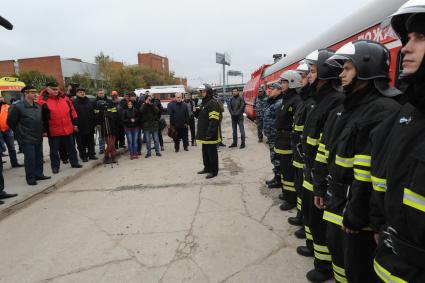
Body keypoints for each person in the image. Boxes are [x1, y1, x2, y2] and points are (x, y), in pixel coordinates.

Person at [313, 40, 401, 283]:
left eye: (347, 68)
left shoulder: (383, 110)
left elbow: (370, 173)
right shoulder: (344, 108)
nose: (340, 74)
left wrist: (357, 215)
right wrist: (320, 186)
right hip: (337, 202)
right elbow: (325, 151)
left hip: (357, 216)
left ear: (367, 68)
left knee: (357, 268)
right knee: (339, 259)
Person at [369, 2, 425, 282]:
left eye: (421, 37)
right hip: (391, 260)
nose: (405, 48)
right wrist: (379, 223)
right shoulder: (409, 113)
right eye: (408, 38)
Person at [298, 49, 344, 283]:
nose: (309, 75)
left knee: (320, 220)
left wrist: (320, 180)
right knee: (310, 216)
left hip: (320, 172)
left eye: (313, 70)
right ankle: (318, 255)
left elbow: (326, 145)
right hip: (311, 169)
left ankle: (324, 266)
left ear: (326, 71)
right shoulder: (318, 99)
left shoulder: (334, 100)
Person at [288, 63, 314, 240]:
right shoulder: (304, 101)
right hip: (299, 153)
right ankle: (300, 215)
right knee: (300, 187)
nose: (303, 78)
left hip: (306, 156)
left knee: (306, 190)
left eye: (308, 74)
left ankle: (305, 220)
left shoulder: (310, 102)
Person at [7, 85, 50, 186]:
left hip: (37, 136)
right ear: (26, 94)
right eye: (33, 92)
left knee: (39, 157)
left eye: (36, 92)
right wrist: (20, 132)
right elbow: (10, 122)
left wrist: (43, 131)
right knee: (30, 158)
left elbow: (40, 121)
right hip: (26, 137)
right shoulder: (18, 107)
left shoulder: (38, 106)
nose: (36, 94)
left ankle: (39, 174)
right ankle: (30, 178)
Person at [274, 70, 302, 211]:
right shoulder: (286, 98)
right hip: (282, 141)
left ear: (291, 83)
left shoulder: (296, 100)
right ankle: (286, 193)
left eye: (284, 82)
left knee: (289, 171)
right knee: (284, 170)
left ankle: (291, 199)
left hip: (288, 142)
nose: (281, 84)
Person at [41, 82, 82, 174]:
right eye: (53, 89)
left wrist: (75, 124)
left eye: (57, 89)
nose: (56, 91)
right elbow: (42, 118)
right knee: (54, 151)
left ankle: (74, 163)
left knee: (71, 148)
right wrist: (44, 130)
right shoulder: (44, 101)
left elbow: (73, 111)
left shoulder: (65, 99)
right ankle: (55, 167)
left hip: (67, 129)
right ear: (48, 89)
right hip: (53, 131)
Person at [195, 84, 221, 179]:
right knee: (205, 152)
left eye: (204, 91)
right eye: (201, 91)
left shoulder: (213, 103)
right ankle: (207, 167)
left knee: (212, 153)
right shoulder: (204, 102)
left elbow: (214, 120)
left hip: (210, 134)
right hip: (204, 133)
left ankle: (214, 171)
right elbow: (202, 116)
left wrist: (210, 133)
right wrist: (196, 112)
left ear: (208, 92)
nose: (202, 93)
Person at [263, 82, 284, 189]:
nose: (269, 91)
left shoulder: (279, 103)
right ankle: (277, 177)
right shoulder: (273, 102)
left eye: (273, 89)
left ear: (280, 90)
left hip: (276, 136)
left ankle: (279, 180)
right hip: (272, 136)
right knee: (274, 157)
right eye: (269, 89)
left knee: (277, 158)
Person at [93, 89, 119, 164]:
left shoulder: (109, 101)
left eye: (102, 93)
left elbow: (114, 111)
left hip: (111, 123)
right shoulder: (95, 102)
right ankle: (106, 156)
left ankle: (113, 157)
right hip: (102, 124)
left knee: (113, 142)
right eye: (100, 93)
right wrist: (101, 112)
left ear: (104, 93)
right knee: (109, 142)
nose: (101, 94)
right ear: (97, 94)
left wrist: (108, 113)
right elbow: (95, 113)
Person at [72, 86, 97, 162]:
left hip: (90, 125)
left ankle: (91, 154)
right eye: (80, 92)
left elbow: (93, 112)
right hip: (79, 126)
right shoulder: (74, 102)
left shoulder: (89, 101)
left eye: (83, 92)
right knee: (81, 142)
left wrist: (95, 122)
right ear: (77, 93)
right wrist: (74, 124)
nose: (82, 93)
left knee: (90, 141)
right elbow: (72, 114)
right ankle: (83, 156)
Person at [0, 94, 22, 168]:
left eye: (1, 97)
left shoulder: (7, 106)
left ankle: (14, 163)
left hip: (8, 130)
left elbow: (12, 117)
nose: (1, 99)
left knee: (12, 148)